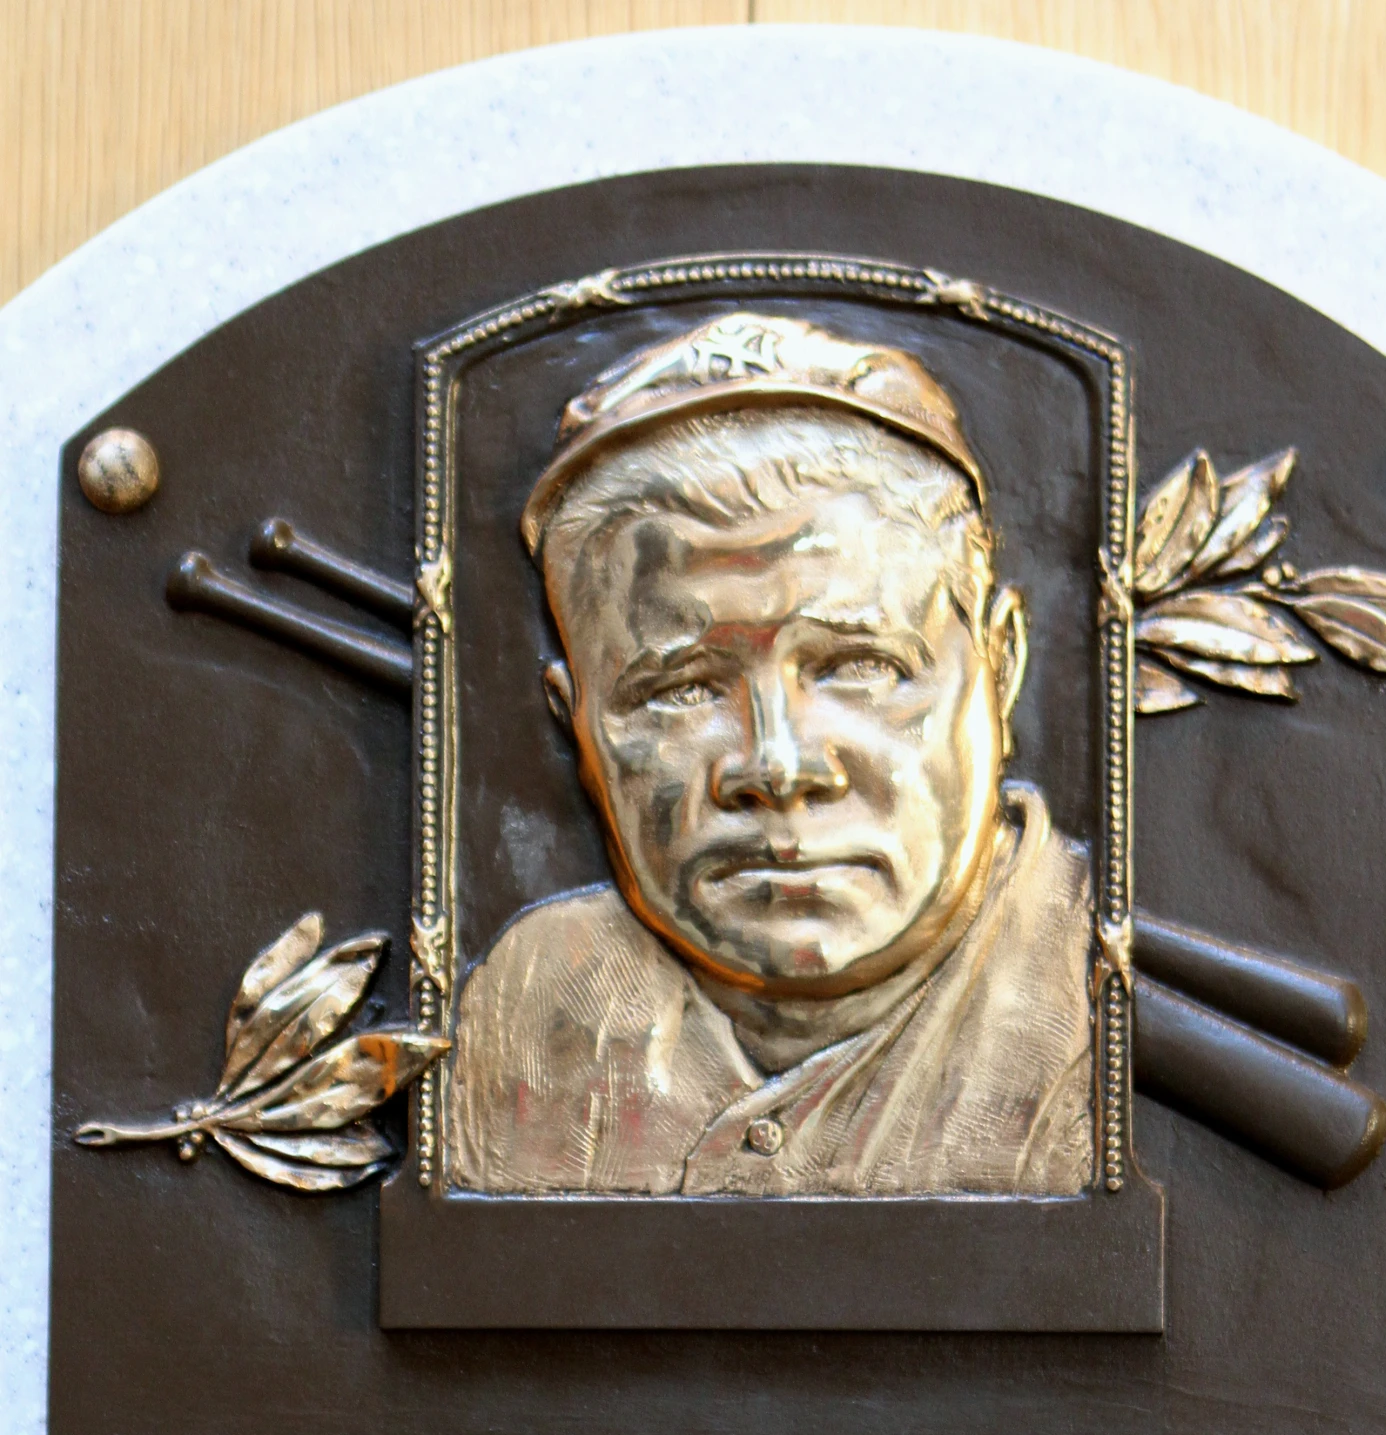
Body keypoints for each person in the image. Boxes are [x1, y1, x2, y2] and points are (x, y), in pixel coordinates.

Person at [447, 310, 1094, 1197]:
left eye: (859, 667)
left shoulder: (1105, 1016)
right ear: (578, 726)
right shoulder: (532, 1002)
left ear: (999, 667)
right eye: (679, 690)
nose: (778, 766)